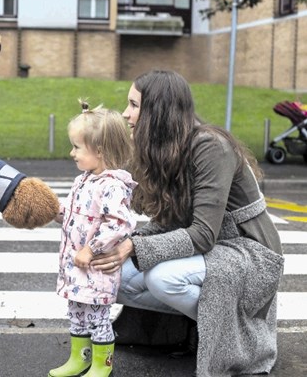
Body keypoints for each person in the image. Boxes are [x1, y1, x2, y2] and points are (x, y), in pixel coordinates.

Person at [91, 70, 284, 376]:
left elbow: (203, 234)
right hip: (212, 249)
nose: (126, 114)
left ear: (158, 111)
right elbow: (148, 212)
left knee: (162, 278)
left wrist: (134, 245)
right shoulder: (162, 148)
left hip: (249, 250)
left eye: (134, 105)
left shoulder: (211, 147)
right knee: (109, 276)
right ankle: (195, 327)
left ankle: (237, 338)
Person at [49, 101, 137, 377]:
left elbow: (120, 224)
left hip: (96, 268)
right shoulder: (83, 180)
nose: (71, 152)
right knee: (76, 312)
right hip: (76, 267)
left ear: (99, 151)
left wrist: (91, 248)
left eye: (77, 147)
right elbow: (77, 216)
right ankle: (80, 357)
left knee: (98, 317)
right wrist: (54, 210)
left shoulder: (112, 186)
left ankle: (102, 364)